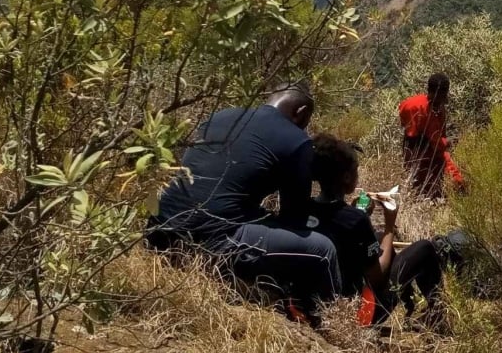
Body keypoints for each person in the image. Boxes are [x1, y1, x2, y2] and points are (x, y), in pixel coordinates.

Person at [145, 83, 339, 321]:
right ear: (300, 112)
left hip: (160, 229)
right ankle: (327, 326)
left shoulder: (221, 115)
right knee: (322, 250)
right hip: (211, 241)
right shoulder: (297, 141)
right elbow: (295, 218)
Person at [308, 134, 451, 324]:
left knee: (376, 237)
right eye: (356, 171)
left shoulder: (307, 208)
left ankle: (413, 307)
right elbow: (377, 276)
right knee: (424, 248)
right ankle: (437, 317)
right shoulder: (354, 220)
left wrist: (361, 217)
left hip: (321, 306)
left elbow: (343, 238)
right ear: (347, 176)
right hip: (363, 312)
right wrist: (390, 226)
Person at [398, 73, 466, 200]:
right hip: (427, 154)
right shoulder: (428, 110)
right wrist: (448, 142)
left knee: (419, 187)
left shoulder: (411, 103)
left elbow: (402, 115)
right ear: (442, 94)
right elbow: (438, 144)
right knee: (455, 182)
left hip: (411, 152)